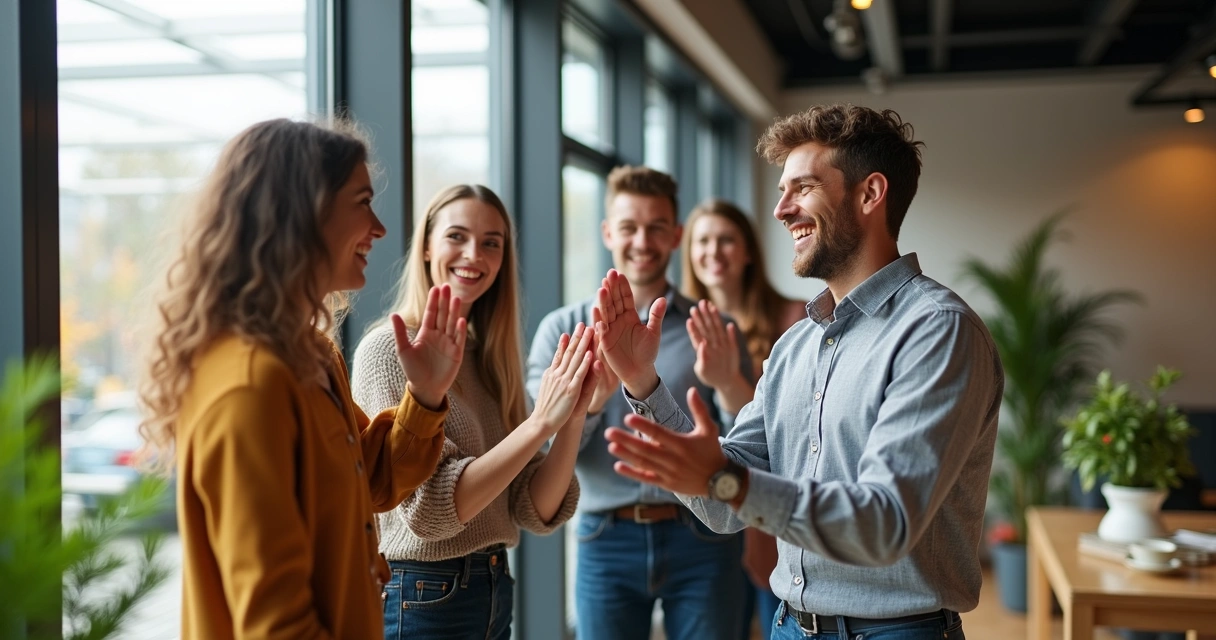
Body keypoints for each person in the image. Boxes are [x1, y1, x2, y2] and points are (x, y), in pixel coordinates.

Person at [597, 104, 1004, 640]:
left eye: (802, 189)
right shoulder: (796, 345)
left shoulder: (937, 332)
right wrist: (643, 382)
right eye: (782, 191)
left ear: (869, 194)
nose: (781, 210)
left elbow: (885, 524)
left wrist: (727, 480)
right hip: (791, 625)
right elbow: (723, 508)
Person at [138, 118, 462, 640]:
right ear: (303, 213)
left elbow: (372, 480)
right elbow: (274, 624)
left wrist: (425, 395)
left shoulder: (309, 353)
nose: (379, 228)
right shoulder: (248, 385)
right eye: (362, 201)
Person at [351, 184, 595, 640]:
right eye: (456, 236)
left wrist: (571, 417)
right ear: (426, 247)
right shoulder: (387, 350)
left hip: (492, 587)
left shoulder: (489, 359)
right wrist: (541, 420)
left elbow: (531, 505)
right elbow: (430, 513)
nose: (473, 255)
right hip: (421, 594)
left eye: (491, 243)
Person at [527, 166, 753, 640]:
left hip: (703, 534)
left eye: (655, 228)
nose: (642, 241)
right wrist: (592, 405)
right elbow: (543, 450)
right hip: (605, 538)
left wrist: (729, 383)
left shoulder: (712, 327)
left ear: (676, 235)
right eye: (629, 227)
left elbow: (749, 440)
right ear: (608, 231)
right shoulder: (561, 330)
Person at [680, 198, 807, 639]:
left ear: (748, 250)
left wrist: (729, 381)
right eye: (703, 240)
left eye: (726, 240)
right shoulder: (673, 327)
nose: (714, 251)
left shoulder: (796, 321)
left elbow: (788, 428)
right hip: (698, 525)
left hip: (767, 519)